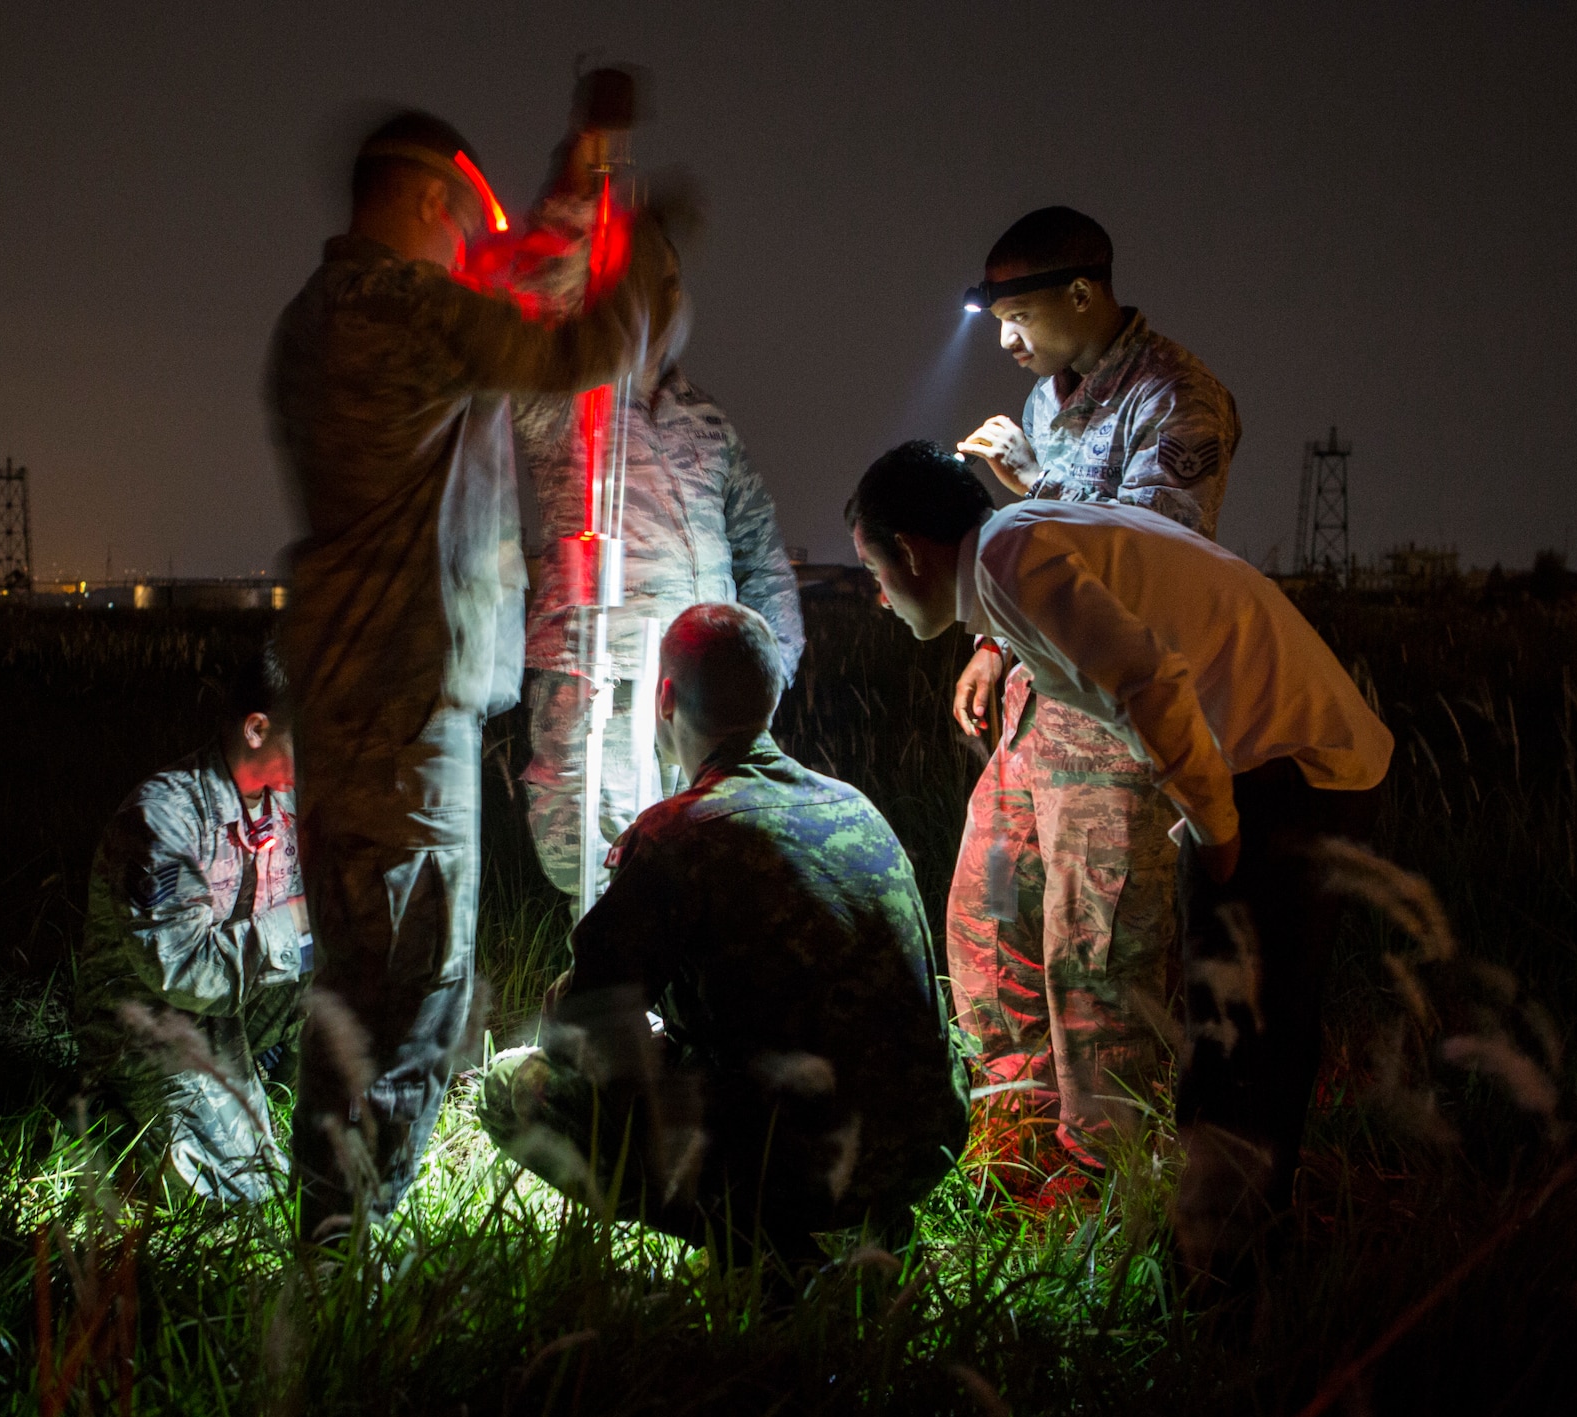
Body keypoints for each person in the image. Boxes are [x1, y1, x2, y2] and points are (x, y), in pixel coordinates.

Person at [268, 101, 677, 1235]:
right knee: (411, 980)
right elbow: (568, 350)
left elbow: (499, 279)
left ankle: (330, 1221)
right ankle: (350, 1252)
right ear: (429, 202)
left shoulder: (318, 315)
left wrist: (566, 182)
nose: (470, 246)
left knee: (359, 972)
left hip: (351, 687)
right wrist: (638, 244)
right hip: (406, 698)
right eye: (464, 219)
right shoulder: (401, 309)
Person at [845, 441, 1393, 1270]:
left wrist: (1216, 829)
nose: (879, 599)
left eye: (873, 572)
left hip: (1287, 765)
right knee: (1242, 1026)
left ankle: (1222, 1279)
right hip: (1277, 756)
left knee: (1239, 1031)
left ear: (913, 552)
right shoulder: (1017, 541)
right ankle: (1214, 1250)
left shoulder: (1008, 559)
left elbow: (1147, 682)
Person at [479, 603, 969, 1268]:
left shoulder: (675, 835)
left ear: (665, 697)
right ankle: (879, 1233)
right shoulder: (856, 807)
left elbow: (578, 1034)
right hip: (922, 1147)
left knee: (513, 1084)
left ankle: (766, 1254)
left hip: (788, 1166)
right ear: (770, 696)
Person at [940, 206, 1243, 1166]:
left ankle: (1117, 1185)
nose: (1004, 339)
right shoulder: (1050, 399)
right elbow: (1050, 567)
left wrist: (1030, 490)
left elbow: (1142, 570)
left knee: (1101, 962)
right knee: (989, 922)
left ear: (1083, 294)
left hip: (1117, 730)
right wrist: (996, 640)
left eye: (1018, 314)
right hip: (1039, 713)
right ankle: (1016, 1147)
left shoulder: (1180, 401)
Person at [514, 238, 805, 897]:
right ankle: (607, 999)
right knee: (603, 881)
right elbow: (529, 299)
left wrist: (767, 673)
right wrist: (594, 210)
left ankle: (690, 1003)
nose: (664, 297)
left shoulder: (706, 419)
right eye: (641, 279)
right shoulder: (563, 399)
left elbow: (760, 548)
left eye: (672, 280)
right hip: (603, 692)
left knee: (708, 876)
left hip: (708, 698)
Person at [74, 647, 309, 1201]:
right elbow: (187, 973)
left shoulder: (285, 806)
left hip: (235, 1014)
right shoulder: (161, 820)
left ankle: (267, 1084)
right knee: (245, 1191)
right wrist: (301, 921)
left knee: (349, 975)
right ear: (258, 729)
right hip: (155, 1025)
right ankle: (108, 1115)